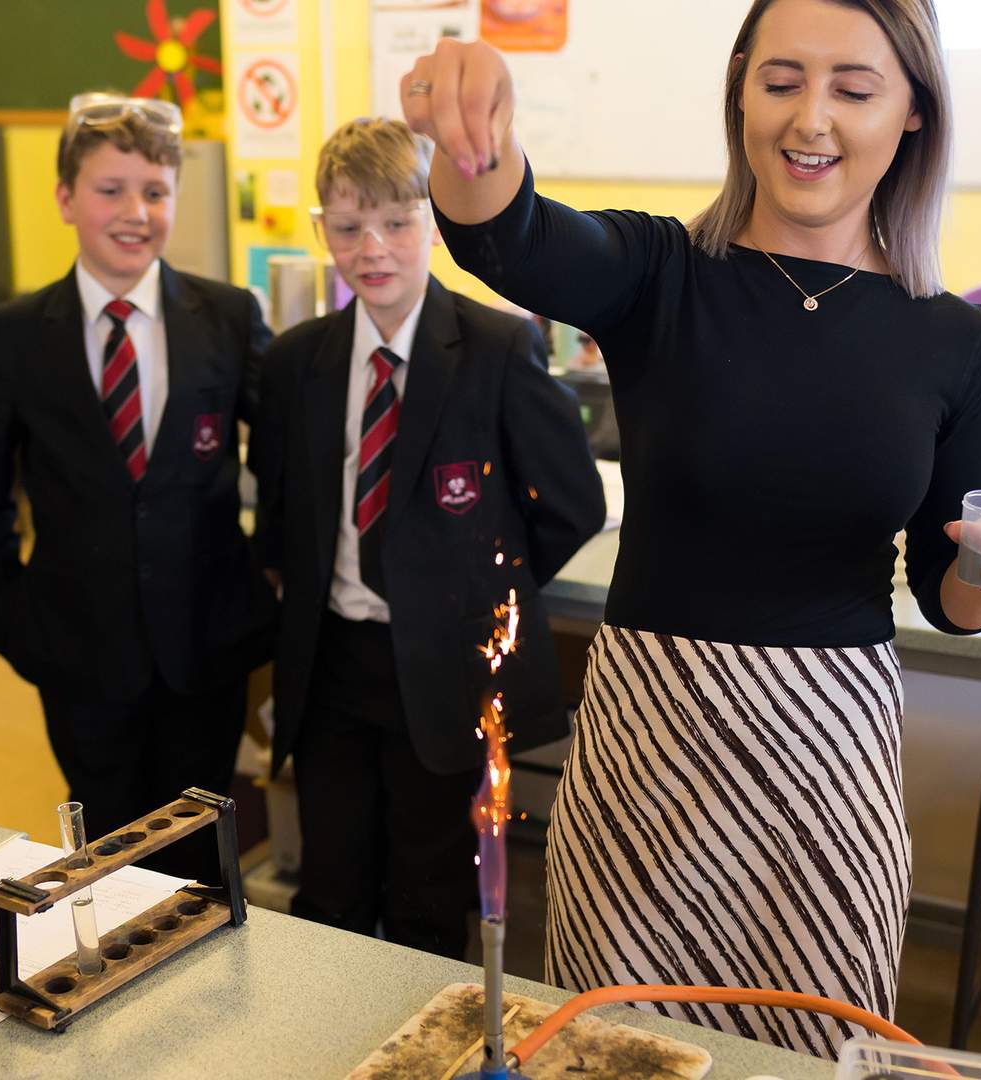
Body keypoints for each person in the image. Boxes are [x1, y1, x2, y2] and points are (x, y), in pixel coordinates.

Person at [402, 0, 981, 1053]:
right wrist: (473, 144)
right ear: (740, 94)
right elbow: (515, 234)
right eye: (780, 81)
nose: (811, 119)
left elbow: (953, 602)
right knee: (617, 1051)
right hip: (650, 754)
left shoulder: (952, 339)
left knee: (814, 1051)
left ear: (913, 113)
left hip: (830, 764)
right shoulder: (660, 273)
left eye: (853, 90)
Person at [249, 118, 603, 959]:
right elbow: (280, 511)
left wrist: (478, 591)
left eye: (396, 223)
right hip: (331, 666)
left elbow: (572, 504)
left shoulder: (495, 345)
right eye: (347, 227)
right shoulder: (297, 359)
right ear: (322, 231)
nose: (372, 248)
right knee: (330, 893)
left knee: (428, 898)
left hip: (444, 675)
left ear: (433, 224)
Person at [0, 93, 275, 880]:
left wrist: (266, 579)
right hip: (78, 650)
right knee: (107, 856)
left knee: (203, 852)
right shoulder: (17, 333)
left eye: (155, 192)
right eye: (110, 190)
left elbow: (286, 455)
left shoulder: (226, 316)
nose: (135, 212)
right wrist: (15, 618)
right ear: (64, 198)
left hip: (206, 646)